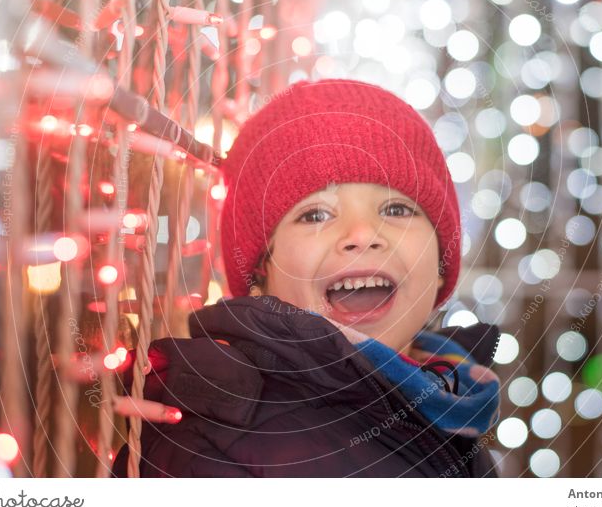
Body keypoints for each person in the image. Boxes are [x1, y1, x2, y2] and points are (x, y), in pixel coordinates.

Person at [112, 78, 501, 477]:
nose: (363, 235)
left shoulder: (457, 399)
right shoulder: (211, 443)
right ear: (258, 278)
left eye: (397, 209)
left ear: (440, 267)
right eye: (315, 215)